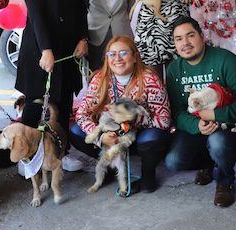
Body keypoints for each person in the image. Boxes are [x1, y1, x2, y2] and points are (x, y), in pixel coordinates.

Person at [164, 17, 236, 208]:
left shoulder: (224, 59)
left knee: (218, 143)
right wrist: (196, 124)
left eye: (190, 35)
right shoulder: (174, 69)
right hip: (196, 125)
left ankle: (225, 180)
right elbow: (177, 111)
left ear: (202, 36)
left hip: (226, 124)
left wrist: (215, 115)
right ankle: (207, 163)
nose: (185, 43)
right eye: (179, 39)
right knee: (173, 161)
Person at [15, 0, 88, 172]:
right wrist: (46, 50)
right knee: (37, 102)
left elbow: (81, 12)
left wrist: (83, 38)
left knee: (63, 102)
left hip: (68, 50)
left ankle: (61, 152)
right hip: (40, 50)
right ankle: (26, 157)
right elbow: (36, 17)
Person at [70, 36, 170, 193]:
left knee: (152, 137)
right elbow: (82, 114)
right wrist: (101, 137)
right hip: (109, 133)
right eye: (112, 54)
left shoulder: (149, 78)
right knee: (76, 131)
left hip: (138, 136)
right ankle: (110, 167)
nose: (117, 58)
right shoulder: (99, 79)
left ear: (135, 57)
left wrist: (130, 121)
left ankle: (148, 173)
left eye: (123, 53)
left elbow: (164, 120)